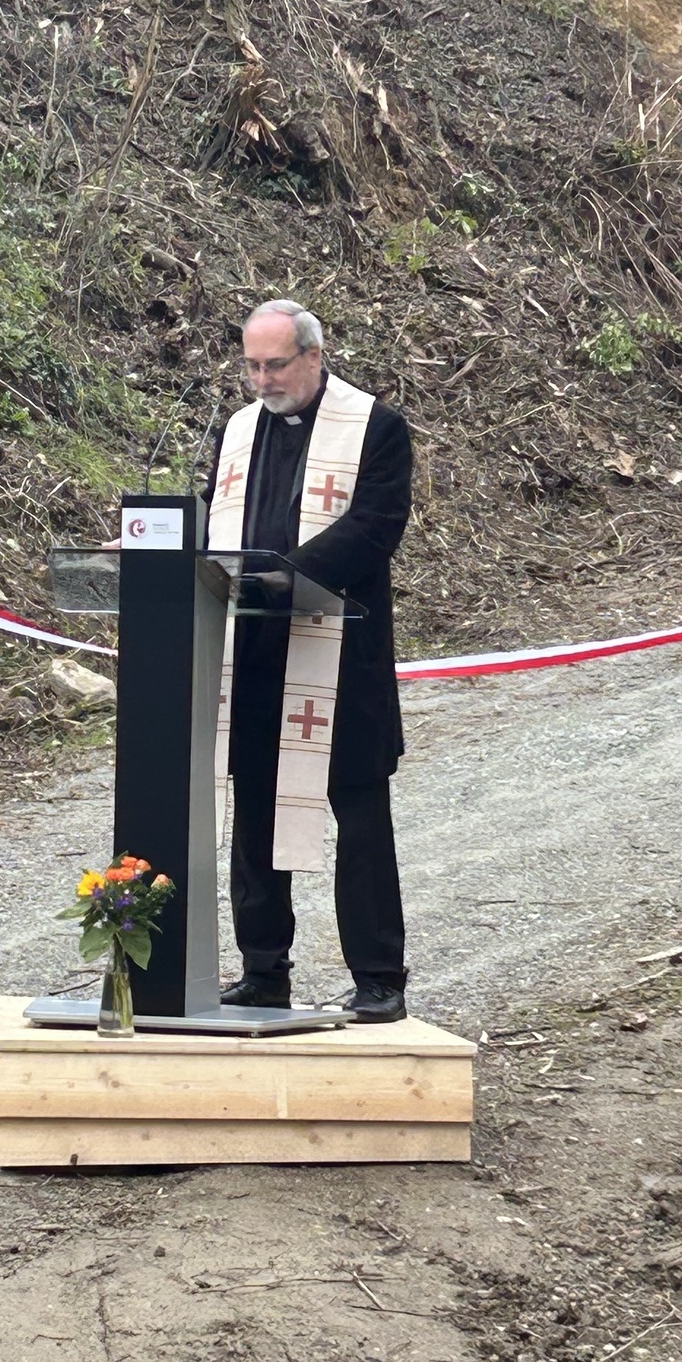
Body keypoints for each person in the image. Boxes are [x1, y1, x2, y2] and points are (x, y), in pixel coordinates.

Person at [205, 300, 412, 1022]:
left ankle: (379, 977)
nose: (262, 380)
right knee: (255, 818)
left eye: (275, 365)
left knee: (359, 820)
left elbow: (374, 527)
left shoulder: (374, 427)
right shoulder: (238, 431)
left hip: (340, 655)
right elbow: (212, 520)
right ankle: (264, 972)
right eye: (251, 366)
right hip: (256, 654)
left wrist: (281, 576)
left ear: (313, 357)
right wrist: (157, 550)